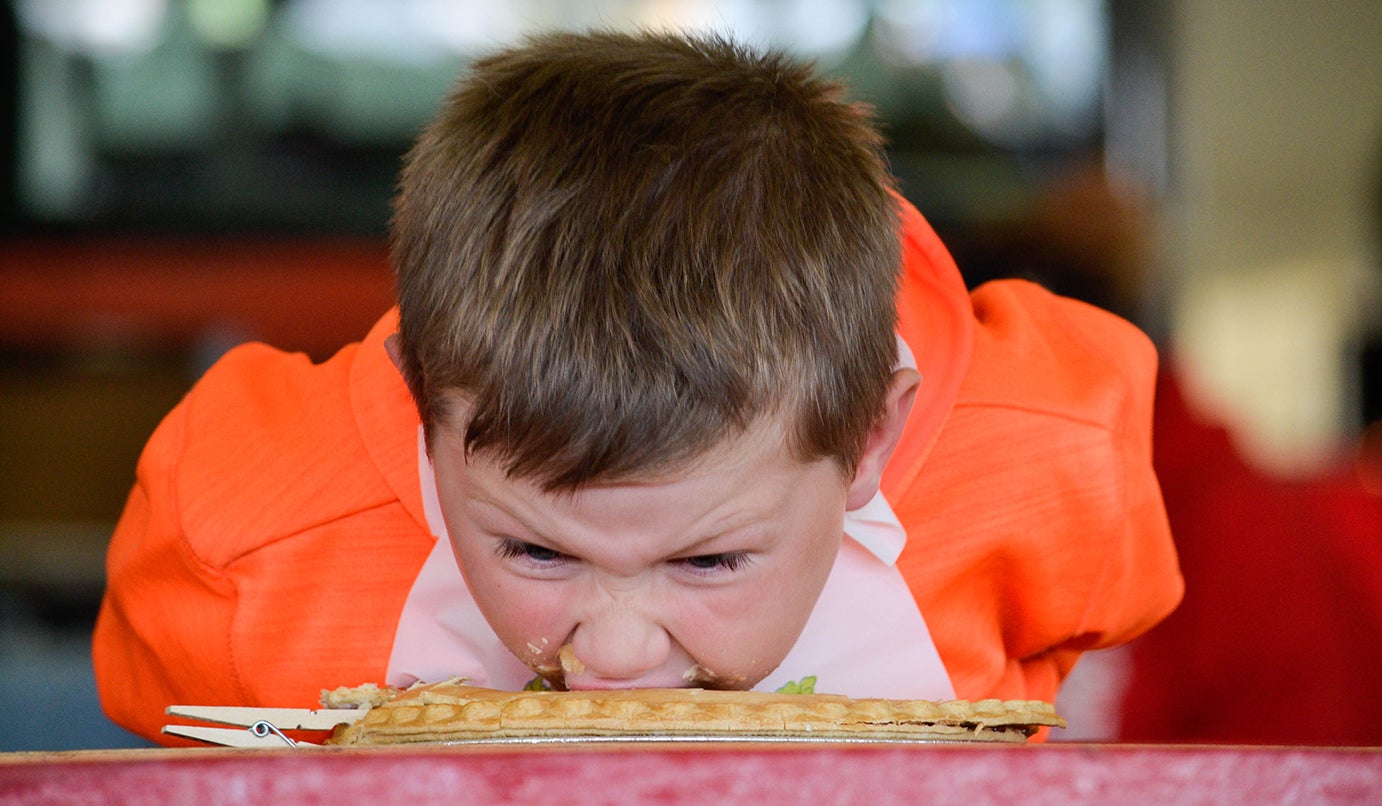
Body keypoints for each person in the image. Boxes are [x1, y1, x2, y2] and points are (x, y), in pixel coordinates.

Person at [92, 30, 1182, 744]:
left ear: (865, 441)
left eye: (707, 558)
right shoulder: (256, 542)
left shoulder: (1047, 456)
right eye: (535, 547)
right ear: (423, 411)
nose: (615, 654)